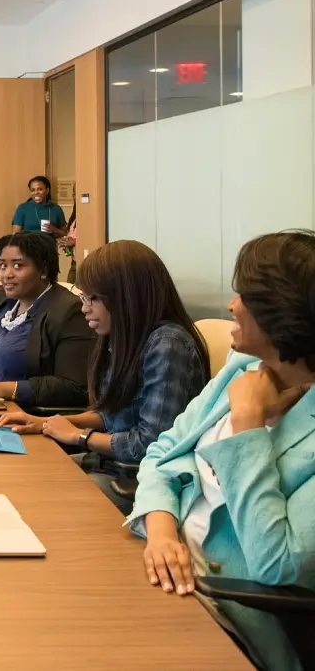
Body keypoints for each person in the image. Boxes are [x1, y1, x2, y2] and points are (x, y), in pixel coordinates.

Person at [126, 230, 315, 671]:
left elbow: (277, 563)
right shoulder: (243, 365)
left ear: (282, 313)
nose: (232, 305)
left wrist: (247, 427)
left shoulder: (251, 401)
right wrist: (161, 532)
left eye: (244, 295)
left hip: (228, 615)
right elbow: (162, 454)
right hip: (163, 566)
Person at [0, 241, 210, 512]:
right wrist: (45, 422)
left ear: (127, 297)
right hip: (110, 464)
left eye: (93, 299)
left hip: (141, 481)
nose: (84, 308)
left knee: (34, 498)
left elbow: (150, 443)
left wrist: (79, 436)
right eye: (84, 298)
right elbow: (113, 414)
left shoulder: (168, 344)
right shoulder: (124, 337)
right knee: (15, 476)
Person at [0, 217, 94, 408]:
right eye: (3, 265)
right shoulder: (1, 299)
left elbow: (74, 387)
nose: (7, 274)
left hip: (35, 417)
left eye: (18, 265)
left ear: (43, 269)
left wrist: (1, 390)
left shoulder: (69, 311)